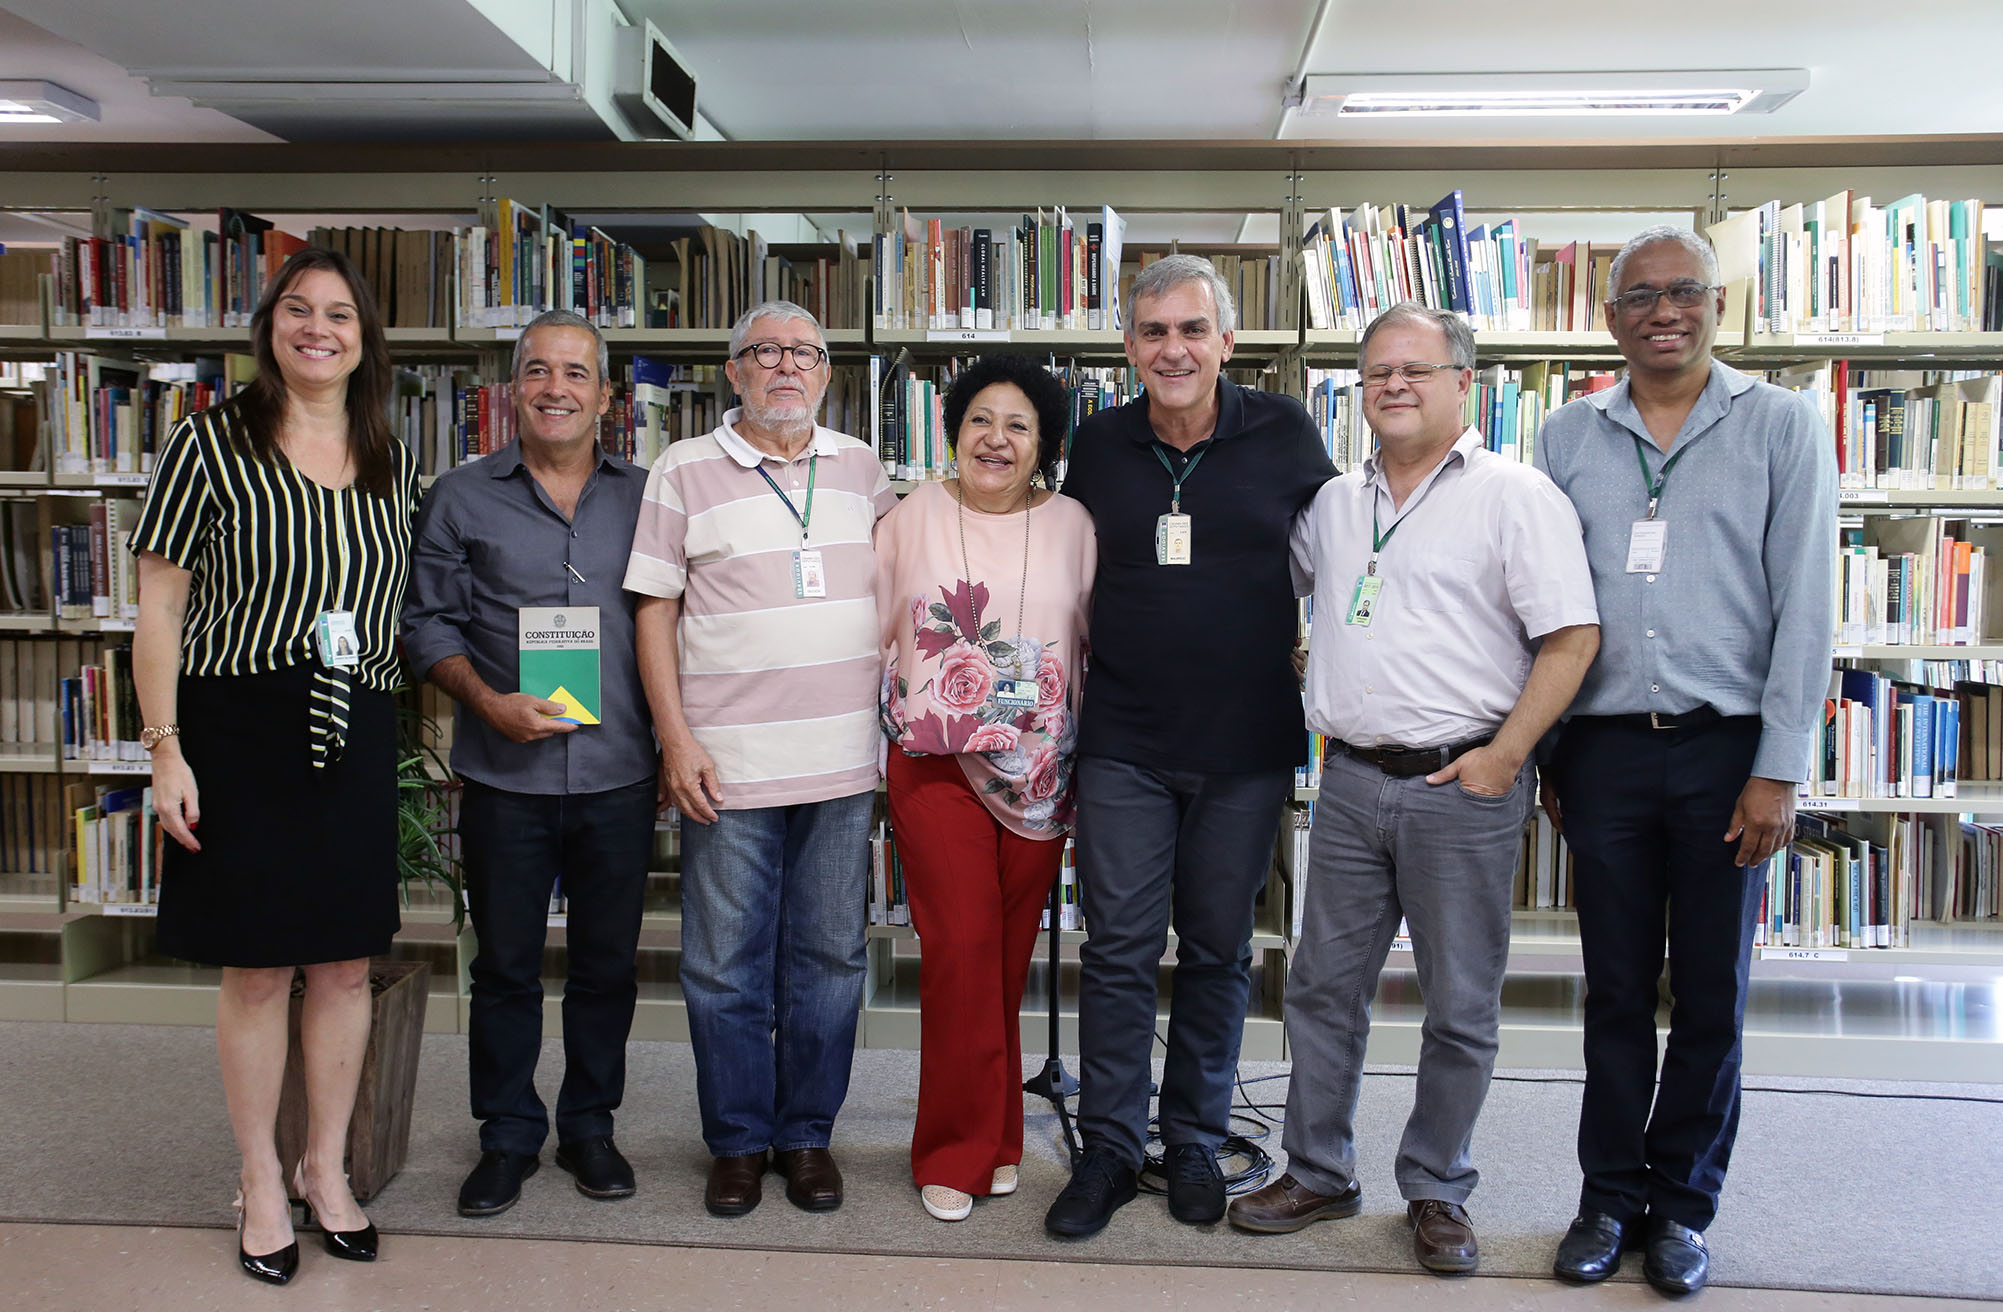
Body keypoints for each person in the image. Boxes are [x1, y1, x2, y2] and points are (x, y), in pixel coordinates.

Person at [1226, 304, 1600, 1273]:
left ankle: (1437, 1187)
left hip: (1461, 783)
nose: (1393, 385)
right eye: (1376, 372)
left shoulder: (1515, 496)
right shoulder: (1332, 502)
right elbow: (1282, 592)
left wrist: (1505, 756)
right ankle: (1318, 1170)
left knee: (1459, 1003)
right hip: (1349, 780)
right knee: (1320, 990)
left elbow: (1571, 638)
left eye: (1415, 369)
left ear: (1463, 383)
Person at [1536, 226, 1837, 1296]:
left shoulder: (1781, 425)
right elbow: (1540, 601)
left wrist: (1778, 768)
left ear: (1716, 304)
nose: (1662, 312)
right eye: (1639, 296)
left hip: (1726, 754)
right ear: (1609, 317)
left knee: (1709, 995)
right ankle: (1606, 1199)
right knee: (1613, 991)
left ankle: (1681, 1210)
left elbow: (1806, 604)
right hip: (1603, 752)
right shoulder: (1565, 435)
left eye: (1683, 292)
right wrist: (1548, 752)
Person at [129, 246, 418, 1285]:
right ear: (270, 328)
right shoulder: (208, 445)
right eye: (298, 310)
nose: (317, 329)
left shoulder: (390, 457)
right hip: (240, 725)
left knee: (342, 961)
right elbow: (159, 609)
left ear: (363, 339)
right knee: (255, 965)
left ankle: (322, 1167)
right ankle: (258, 1177)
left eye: (339, 314)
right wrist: (164, 748)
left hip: (357, 722)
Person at [1045, 254, 1336, 1238]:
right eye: (1153, 331)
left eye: (1191, 329)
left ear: (1225, 341)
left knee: (1216, 950)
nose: (1173, 349)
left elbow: (1349, 555)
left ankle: (1196, 1138)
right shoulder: (1097, 443)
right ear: (1128, 348)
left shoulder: (1285, 432)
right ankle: (1109, 1146)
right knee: (1119, 949)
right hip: (1123, 739)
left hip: (1244, 745)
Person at [625, 300, 897, 1218]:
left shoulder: (861, 467)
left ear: (827, 372)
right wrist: (674, 739)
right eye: (765, 352)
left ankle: (806, 1136)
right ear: (732, 370)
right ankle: (738, 1143)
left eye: (804, 353)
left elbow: (901, 590)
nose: (786, 367)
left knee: (829, 961)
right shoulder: (682, 469)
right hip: (726, 766)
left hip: (843, 763)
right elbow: (654, 608)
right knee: (723, 966)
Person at [402, 309, 656, 1218]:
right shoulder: (459, 496)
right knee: (504, 968)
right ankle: (507, 1135)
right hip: (503, 776)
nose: (556, 388)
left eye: (576, 373)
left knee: (606, 967)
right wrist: (486, 703)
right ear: (513, 388)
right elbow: (425, 625)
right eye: (539, 371)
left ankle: (589, 1126)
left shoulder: (650, 498)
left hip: (619, 772)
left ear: (607, 396)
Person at [874, 355, 1097, 1222]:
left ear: (1043, 443)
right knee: (960, 954)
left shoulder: (1074, 524)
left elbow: (1094, 643)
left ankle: (999, 1136)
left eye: (1017, 425)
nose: (994, 439)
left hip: (1040, 777)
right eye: (978, 420)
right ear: (953, 431)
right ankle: (952, 1151)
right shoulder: (910, 517)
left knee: (1002, 964)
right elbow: (872, 635)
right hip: (935, 765)